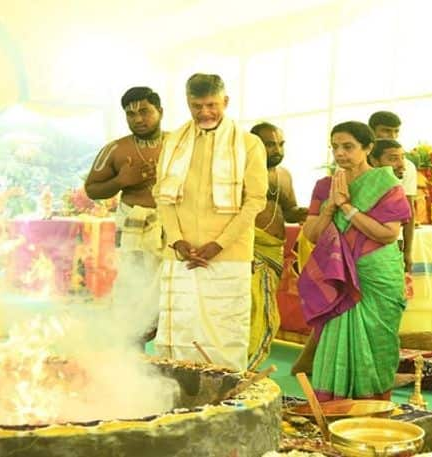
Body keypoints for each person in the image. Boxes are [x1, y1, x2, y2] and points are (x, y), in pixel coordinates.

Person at [154, 73, 267, 371]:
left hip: (228, 255)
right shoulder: (173, 142)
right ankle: (175, 397)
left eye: (211, 105)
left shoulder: (249, 144)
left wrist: (219, 244)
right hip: (181, 254)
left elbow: (255, 200)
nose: (205, 112)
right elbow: (163, 197)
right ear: (187, 104)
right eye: (196, 106)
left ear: (225, 102)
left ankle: (224, 401)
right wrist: (176, 240)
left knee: (224, 333)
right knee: (180, 328)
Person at [297, 121, 411, 399]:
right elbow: (312, 234)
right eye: (335, 147)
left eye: (348, 147)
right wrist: (331, 207)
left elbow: (388, 234)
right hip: (339, 277)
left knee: (377, 337)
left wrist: (347, 207)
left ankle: (373, 406)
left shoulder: (387, 185)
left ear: (368, 148)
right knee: (337, 336)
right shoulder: (325, 187)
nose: (340, 153)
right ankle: (336, 407)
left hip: (375, 274)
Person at [84, 86, 166, 346]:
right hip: (135, 236)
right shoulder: (116, 150)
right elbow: (92, 189)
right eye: (131, 114)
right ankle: (132, 359)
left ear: (160, 111)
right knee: (133, 293)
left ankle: (174, 363)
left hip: (174, 231)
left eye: (144, 111)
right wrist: (120, 180)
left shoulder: (180, 145)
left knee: (173, 295)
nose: (138, 119)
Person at [247, 122, 307, 369]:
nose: (277, 149)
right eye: (269, 144)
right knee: (251, 312)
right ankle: (241, 367)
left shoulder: (284, 175)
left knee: (266, 314)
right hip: (249, 250)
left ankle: (248, 365)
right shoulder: (241, 173)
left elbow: (289, 210)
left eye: (280, 144)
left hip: (273, 249)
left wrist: (306, 212)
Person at [368, 111, 416, 273]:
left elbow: (409, 211)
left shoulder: (407, 166)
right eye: (386, 130)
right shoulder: (353, 162)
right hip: (358, 240)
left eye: (396, 131)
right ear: (372, 130)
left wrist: (408, 251)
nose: (392, 135)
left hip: (394, 242)